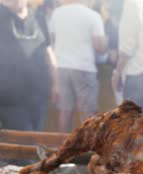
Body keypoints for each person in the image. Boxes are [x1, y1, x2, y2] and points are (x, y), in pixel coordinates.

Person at [49, 0, 106, 131]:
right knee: (88, 114)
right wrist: (106, 45)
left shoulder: (57, 14)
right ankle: (87, 148)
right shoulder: (92, 15)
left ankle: (61, 146)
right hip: (84, 67)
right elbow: (99, 46)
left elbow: (51, 41)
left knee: (65, 112)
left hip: (61, 67)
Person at [0, 0, 57, 131]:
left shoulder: (38, 17)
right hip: (9, 99)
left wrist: (56, 83)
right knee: (26, 140)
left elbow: (48, 51)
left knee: (36, 138)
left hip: (39, 94)